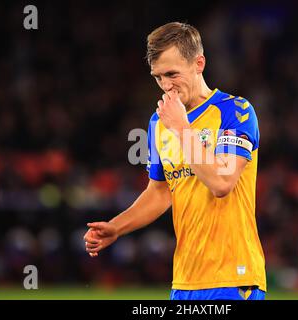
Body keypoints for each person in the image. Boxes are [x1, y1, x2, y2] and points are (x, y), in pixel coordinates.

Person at [84, 22, 266, 300]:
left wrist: (181, 128)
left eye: (172, 74)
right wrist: (116, 227)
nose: (166, 85)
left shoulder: (235, 111)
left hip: (234, 278)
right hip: (184, 281)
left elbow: (221, 182)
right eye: (158, 77)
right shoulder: (159, 123)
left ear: (199, 64)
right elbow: (159, 192)